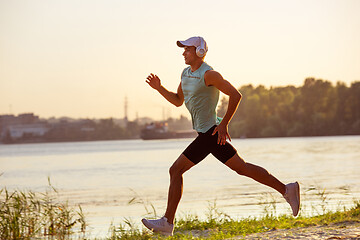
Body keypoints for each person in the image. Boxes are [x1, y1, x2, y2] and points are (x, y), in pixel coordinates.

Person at [142, 36, 300, 236]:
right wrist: (159, 88)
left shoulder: (209, 74)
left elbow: (236, 95)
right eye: (183, 50)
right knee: (241, 168)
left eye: (187, 49)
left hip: (211, 132)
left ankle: (167, 222)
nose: (183, 53)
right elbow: (177, 101)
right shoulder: (185, 74)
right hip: (208, 132)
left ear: (199, 52)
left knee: (175, 170)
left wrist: (224, 123)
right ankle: (287, 189)